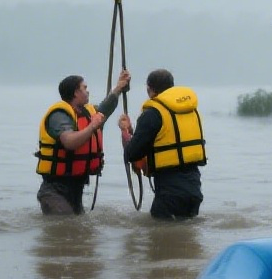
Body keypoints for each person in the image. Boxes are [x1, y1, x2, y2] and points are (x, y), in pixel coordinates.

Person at [36, 70, 130, 215]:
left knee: (78, 230)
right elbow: (69, 142)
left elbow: (105, 108)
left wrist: (119, 87)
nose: (88, 91)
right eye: (84, 88)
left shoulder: (87, 112)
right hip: (55, 190)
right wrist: (93, 126)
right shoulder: (60, 115)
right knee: (65, 226)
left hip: (76, 187)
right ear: (75, 93)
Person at [118, 69, 205, 219]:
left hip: (169, 190)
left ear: (149, 89)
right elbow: (166, 137)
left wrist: (125, 131)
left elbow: (132, 153)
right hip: (194, 185)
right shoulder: (190, 110)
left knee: (161, 237)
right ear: (172, 87)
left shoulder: (152, 113)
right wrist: (134, 131)